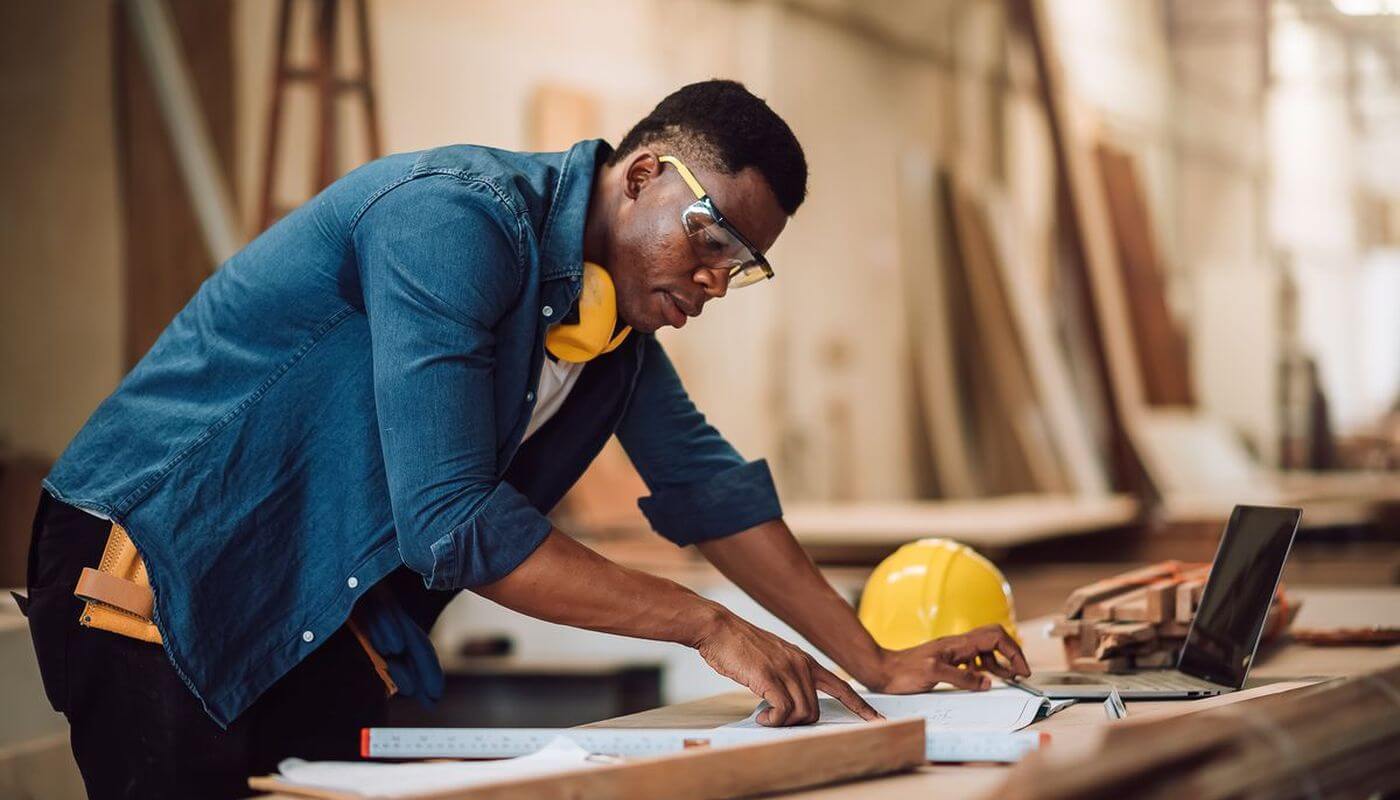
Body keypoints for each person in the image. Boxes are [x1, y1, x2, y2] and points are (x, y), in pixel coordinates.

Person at [24, 79, 1028, 799]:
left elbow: (710, 491)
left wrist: (877, 659)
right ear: (642, 173)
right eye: (709, 236)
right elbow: (450, 521)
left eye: (741, 264)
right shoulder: (452, 220)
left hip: (305, 598)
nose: (715, 279)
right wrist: (705, 623)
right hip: (156, 561)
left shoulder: (611, 337)